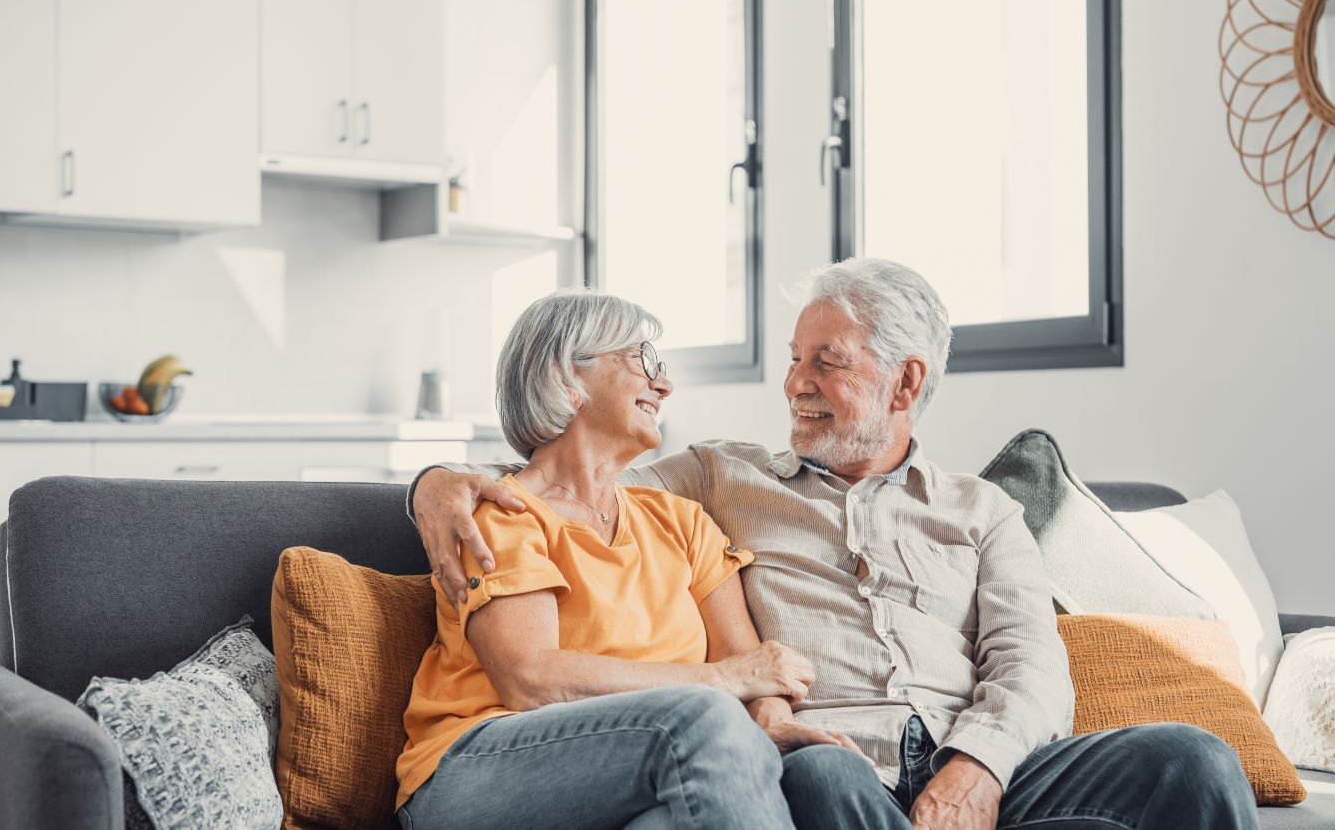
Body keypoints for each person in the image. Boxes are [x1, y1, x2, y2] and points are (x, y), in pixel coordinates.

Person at [411, 257, 1260, 830]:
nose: (796, 383)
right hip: (840, 764)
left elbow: (1031, 666)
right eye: (792, 358)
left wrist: (979, 767)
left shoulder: (984, 510)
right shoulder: (719, 480)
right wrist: (436, 479)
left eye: (826, 361)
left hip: (978, 757)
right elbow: (562, 481)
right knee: (823, 779)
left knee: (1192, 760)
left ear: (906, 380)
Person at [395, 289, 868, 830]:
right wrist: (716, 681)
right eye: (642, 361)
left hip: (633, 776)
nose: (663, 384)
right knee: (705, 720)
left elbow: (751, 671)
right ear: (566, 378)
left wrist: (774, 721)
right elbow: (529, 678)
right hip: (477, 770)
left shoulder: (682, 522)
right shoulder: (503, 514)